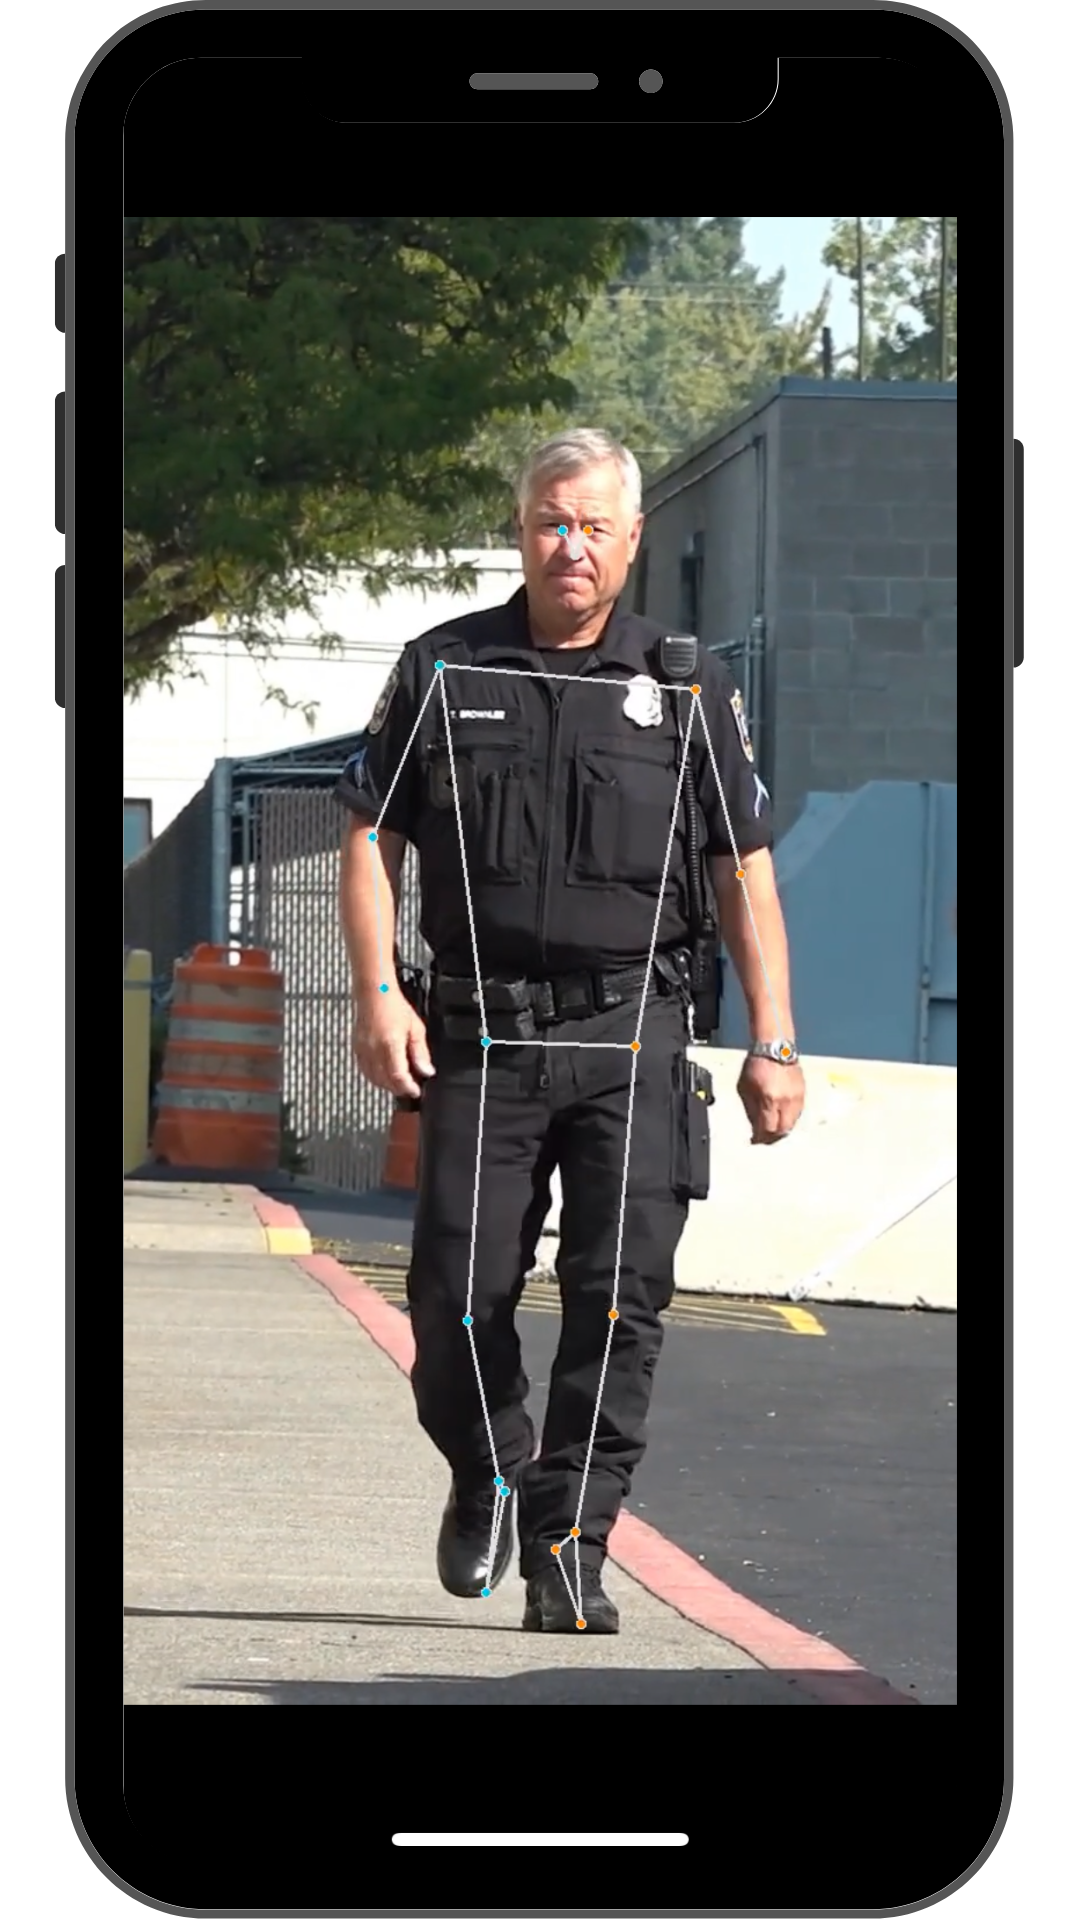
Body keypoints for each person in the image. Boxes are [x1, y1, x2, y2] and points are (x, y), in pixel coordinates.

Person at [336, 427, 805, 1635]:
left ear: (633, 539)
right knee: (451, 1291)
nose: (571, 544)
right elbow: (370, 836)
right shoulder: (444, 668)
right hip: (483, 1040)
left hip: (633, 1040)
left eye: (595, 524)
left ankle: (570, 1540)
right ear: (520, 528)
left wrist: (775, 1039)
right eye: (552, 519)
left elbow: (744, 869)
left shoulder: (688, 684)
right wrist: (377, 991)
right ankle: (491, 1469)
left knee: (617, 1303)